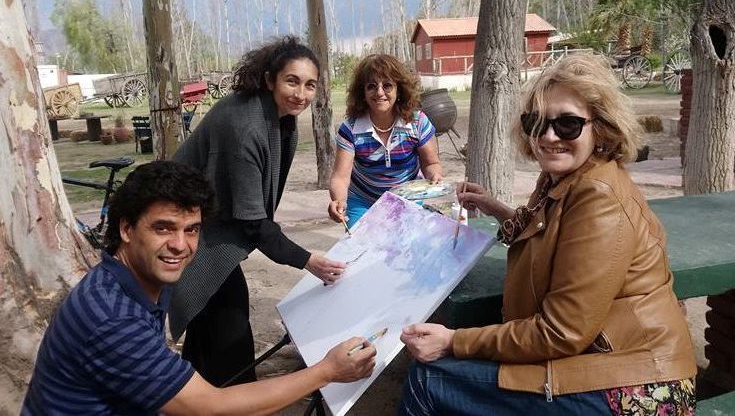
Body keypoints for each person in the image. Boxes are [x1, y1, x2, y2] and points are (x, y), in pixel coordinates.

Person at [398, 55, 696, 415]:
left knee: (429, 381)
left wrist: (453, 341)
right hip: (603, 359)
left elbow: (561, 332)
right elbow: (551, 233)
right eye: (536, 123)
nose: (549, 136)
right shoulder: (564, 176)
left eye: (568, 124)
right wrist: (496, 208)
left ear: (600, 127)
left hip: (641, 386)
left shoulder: (598, 198)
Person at [22, 161, 375, 415]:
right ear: (127, 229)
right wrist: (325, 372)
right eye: (163, 228)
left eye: (191, 229)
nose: (180, 245)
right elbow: (209, 407)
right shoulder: (111, 318)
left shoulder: (132, 281)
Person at [170, 36, 347, 386]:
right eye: (292, 81)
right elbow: (252, 220)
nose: (301, 94)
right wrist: (306, 260)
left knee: (210, 323)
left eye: (310, 85)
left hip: (205, 226)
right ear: (269, 80)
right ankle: (234, 399)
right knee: (230, 329)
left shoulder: (276, 116)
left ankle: (193, 395)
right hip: (184, 228)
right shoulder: (246, 125)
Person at [328, 54, 443, 229]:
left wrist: (434, 175)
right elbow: (340, 177)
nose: (379, 92)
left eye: (387, 85)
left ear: (399, 90)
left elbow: (431, 163)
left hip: (408, 199)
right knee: (364, 245)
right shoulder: (350, 129)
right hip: (363, 201)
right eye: (371, 86)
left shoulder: (417, 122)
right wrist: (339, 200)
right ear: (362, 93)